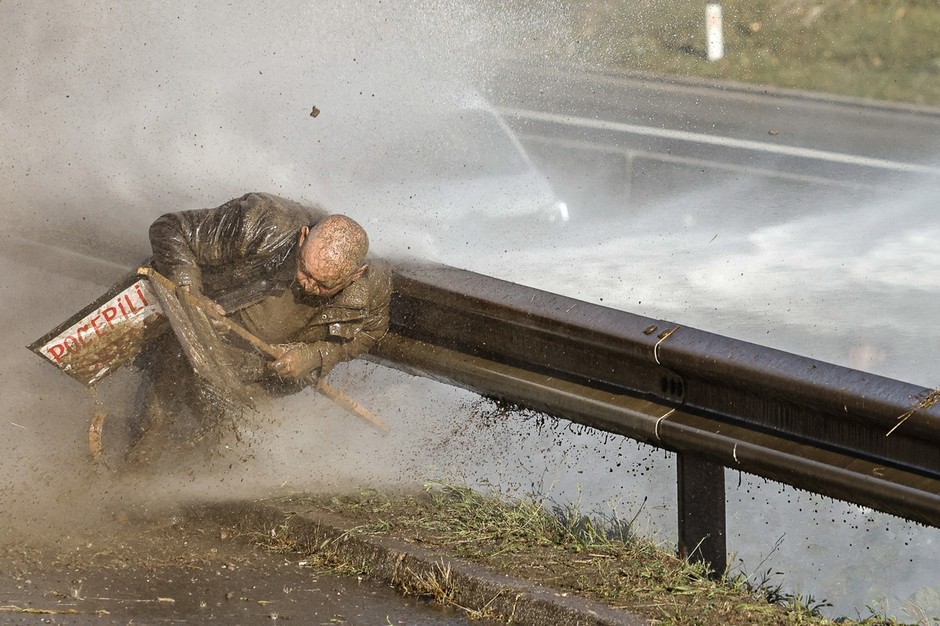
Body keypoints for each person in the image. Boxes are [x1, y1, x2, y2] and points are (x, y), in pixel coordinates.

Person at [127, 191, 392, 463]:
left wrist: (315, 356)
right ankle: (144, 449)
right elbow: (169, 229)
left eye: (325, 285)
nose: (307, 285)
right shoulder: (260, 222)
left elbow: (369, 334)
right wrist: (191, 291)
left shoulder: (374, 285)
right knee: (165, 402)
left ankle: (197, 461)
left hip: (263, 371)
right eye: (304, 270)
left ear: (356, 274)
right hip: (198, 331)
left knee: (226, 441)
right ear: (303, 237)